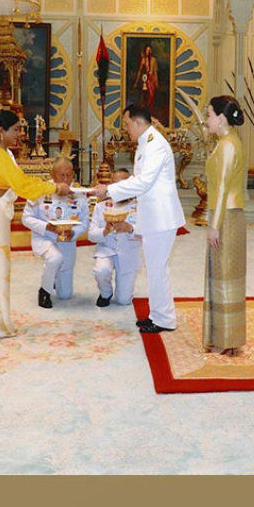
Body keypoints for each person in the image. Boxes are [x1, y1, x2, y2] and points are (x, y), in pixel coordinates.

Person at [0, 110, 69, 338]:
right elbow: (21, 185)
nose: (19, 134)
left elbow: (18, 182)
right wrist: (53, 187)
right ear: (1, 131)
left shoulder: (0, 151)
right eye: (15, 129)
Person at [91, 104, 185, 334]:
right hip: (153, 216)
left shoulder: (154, 144)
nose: (125, 129)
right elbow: (140, 179)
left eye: (126, 123)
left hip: (161, 217)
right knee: (155, 269)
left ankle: (164, 319)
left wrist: (110, 190)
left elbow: (143, 182)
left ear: (137, 121)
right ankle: (158, 315)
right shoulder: (147, 142)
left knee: (158, 269)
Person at [202, 95, 248, 355]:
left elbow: (221, 189)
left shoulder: (229, 145)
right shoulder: (224, 143)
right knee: (219, 273)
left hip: (227, 216)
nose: (206, 119)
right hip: (223, 215)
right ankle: (220, 334)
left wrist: (215, 225)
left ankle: (227, 338)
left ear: (220, 118)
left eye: (209, 114)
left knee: (225, 274)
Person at [22, 157, 90, 309]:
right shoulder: (40, 191)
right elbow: (26, 218)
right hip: (45, 237)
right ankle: (44, 291)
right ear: (52, 175)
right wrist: (47, 227)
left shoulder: (79, 194)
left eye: (68, 175)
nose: (65, 179)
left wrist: (74, 233)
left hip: (67, 242)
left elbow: (85, 221)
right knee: (55, 258)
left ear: (74, 174)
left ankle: (53, 277)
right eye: (61, 175)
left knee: (65, 295)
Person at [88, 168, 142, 308]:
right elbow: (91, 235)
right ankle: (105, 293)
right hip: (106, 249)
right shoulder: (101, 206)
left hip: (128, 253)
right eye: (115, 185)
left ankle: (123, 290)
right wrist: (105, 231)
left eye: (122, 185)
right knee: (102, 271)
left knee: (123, 301)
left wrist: (130, 228)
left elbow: (147, 236)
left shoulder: (139, 207)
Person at [136, 44, 159, 114]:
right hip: (145, 78)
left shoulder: (154, 60)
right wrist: (137, 81)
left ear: (151, 51)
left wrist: (156, 82)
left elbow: (155, 71)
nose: (148, 51)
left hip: (152, 78)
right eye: (147, 50)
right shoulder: (143, 60)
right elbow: (140, 71)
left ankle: (150, 110)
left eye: (149, 50)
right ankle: (146, 110)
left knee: (152, 95)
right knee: (145, 95)